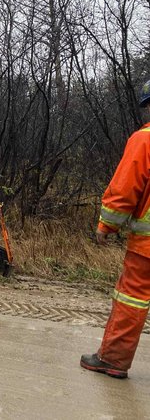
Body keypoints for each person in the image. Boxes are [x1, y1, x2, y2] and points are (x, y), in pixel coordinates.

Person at [80, 79, 150, 379]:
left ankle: (112, 359)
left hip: (147, 249)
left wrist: (107, 225)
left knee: (131, 299)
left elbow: (124, 190)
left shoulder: (144, 140)